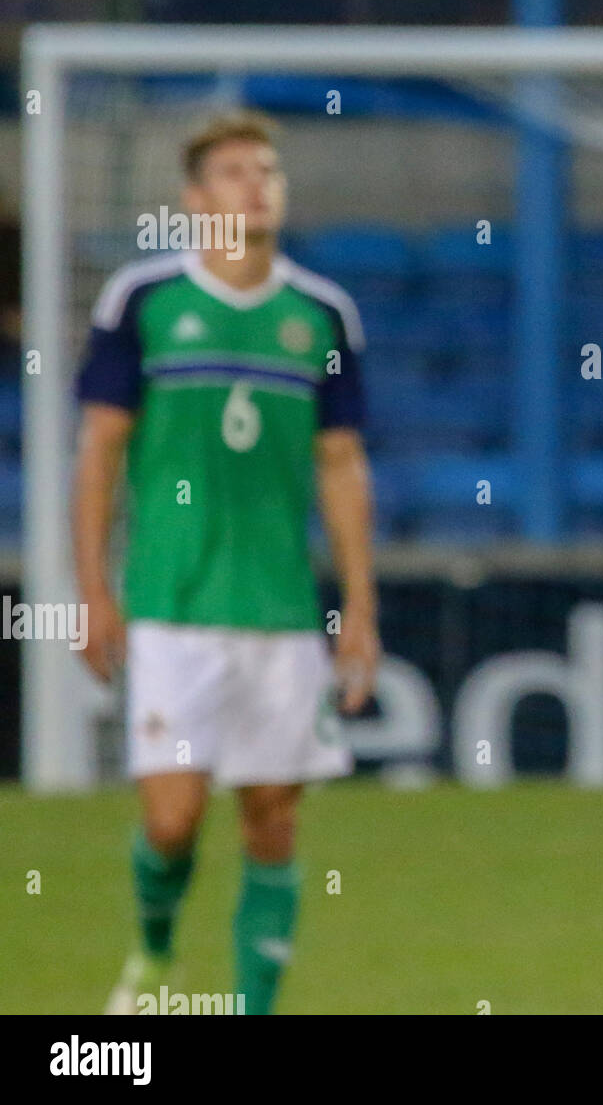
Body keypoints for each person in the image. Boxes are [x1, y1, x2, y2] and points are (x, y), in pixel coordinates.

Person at [73, 111, 381, 1015]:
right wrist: (93, 587)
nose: (259, 184)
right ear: (195, 198)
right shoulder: (143, 301)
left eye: (269, 170)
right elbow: (97, 453)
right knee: (171, 822)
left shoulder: (321, 314)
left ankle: (253, 1009)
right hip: (170, 604)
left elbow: (342, 464)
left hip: (282, 612)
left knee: (272, 818)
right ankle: (153, 952)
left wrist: (358, 603)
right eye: (237, 171)